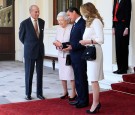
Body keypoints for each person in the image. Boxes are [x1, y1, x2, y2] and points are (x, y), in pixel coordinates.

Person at [59, 7, 89, 108]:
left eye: (69, 14)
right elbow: (74, 40)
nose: (68, 17)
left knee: (82, 78)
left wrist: (73, 46)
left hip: (80, 56)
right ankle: (79, 99)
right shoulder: (75, 24)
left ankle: (84, 101)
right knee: (77, 79)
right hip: (74, 55)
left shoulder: (82, 23)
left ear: (74, 12)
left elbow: (84, 41)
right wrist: (65, 45)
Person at [79, 2, 104, 114]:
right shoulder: (89, 22)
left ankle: (96, 103)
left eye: (82, 11)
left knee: (94, 79)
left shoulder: (96, 21)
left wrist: (87, 41)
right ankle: (96, 102)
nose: (82, 14)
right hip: (90, 51)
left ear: (87, 11)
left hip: (95, 51)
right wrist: (84, 42)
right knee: (92, 79)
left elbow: (101, 40)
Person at [19, 5, 45, 100]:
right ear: (30, 12)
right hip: (29, 52)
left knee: (40, 74)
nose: (37, 13)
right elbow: (21, 38)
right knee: (29, 73)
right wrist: (29, 45)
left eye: (38, 11)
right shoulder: (24, 23)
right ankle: (28, 94)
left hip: (40, 51)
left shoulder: (42, 22)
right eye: (36, 12)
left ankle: (39, 93)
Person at [53, 12, 77, 101]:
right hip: (60, 54)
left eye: (61, 20)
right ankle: (65, 92)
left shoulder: (71, 28)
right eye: (58, 21)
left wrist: (63, 45)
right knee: (62, 74)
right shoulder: (58, 28)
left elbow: (73, 41)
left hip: (69, 55)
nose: (59, 22)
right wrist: (56, 44)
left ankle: (73, 92)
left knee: (71, 74)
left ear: (66, 20)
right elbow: (55, 39)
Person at [112, 0, 132, 74]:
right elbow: (113, 14)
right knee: (118, 47)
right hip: (117, 25)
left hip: (123, 26)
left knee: (123, 47)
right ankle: (119, 68)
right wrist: (113, 27)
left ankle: (124, 68)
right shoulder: (115, 0)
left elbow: (128, 14)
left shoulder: (127, 1)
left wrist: (127, 28)